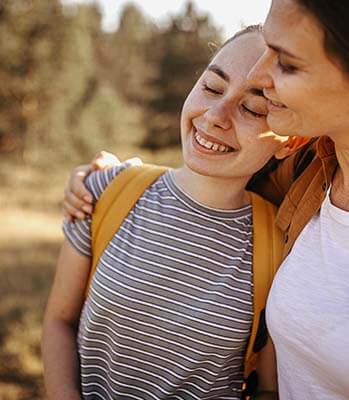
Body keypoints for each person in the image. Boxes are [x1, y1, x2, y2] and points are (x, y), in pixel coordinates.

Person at [64, 1, 349, 399]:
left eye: (287, 63)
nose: (261, 72)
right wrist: (111, 177)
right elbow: (207, 172)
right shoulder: (303, 174)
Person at [42, 26, 299, 400]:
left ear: (289, 140)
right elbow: (59, 322)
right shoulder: (106, 191)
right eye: (211, 87)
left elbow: (269, 388)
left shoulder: (281, 246)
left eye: (252, 107)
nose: (215, 116)